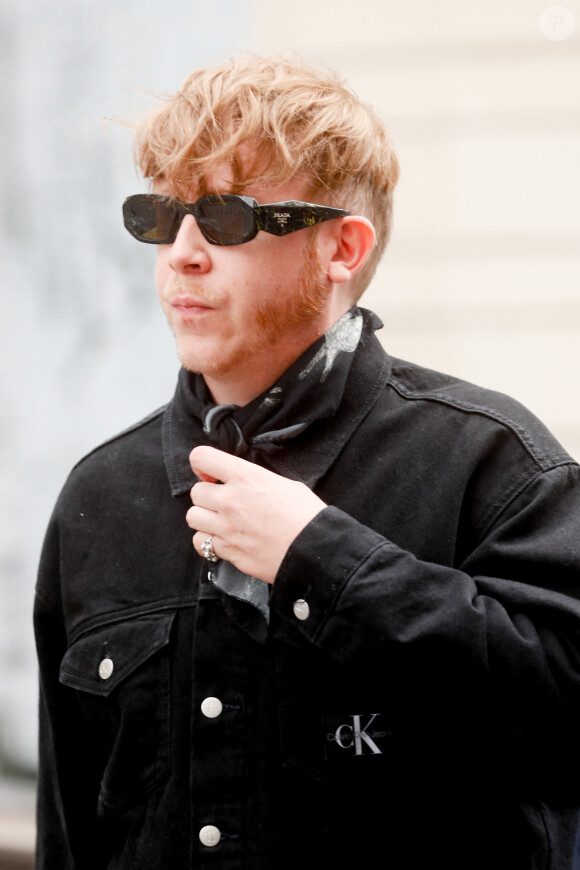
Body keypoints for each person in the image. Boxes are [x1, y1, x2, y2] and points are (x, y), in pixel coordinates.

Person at [34, 55, 580, 870]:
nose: (182, 252)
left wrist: (325, 562)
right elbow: (71, 831)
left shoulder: (492, 463)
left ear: (342, 249)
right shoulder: (101, 495)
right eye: (163, 216)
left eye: (225, 217)